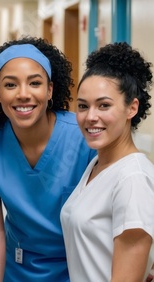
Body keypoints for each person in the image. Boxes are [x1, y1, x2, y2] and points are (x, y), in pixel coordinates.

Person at [0, 37, 96, 281]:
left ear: (49, 90)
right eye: (10, 85)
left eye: (35, 83)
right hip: (17, 266)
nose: (23, 95)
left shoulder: (82, 135)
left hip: (80, 266)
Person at [60, 42, 154, 281]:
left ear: (132, 107)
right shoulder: (98, 166)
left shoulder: (132, 178)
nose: (91, 117)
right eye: (83, 106)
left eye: (104, 105)